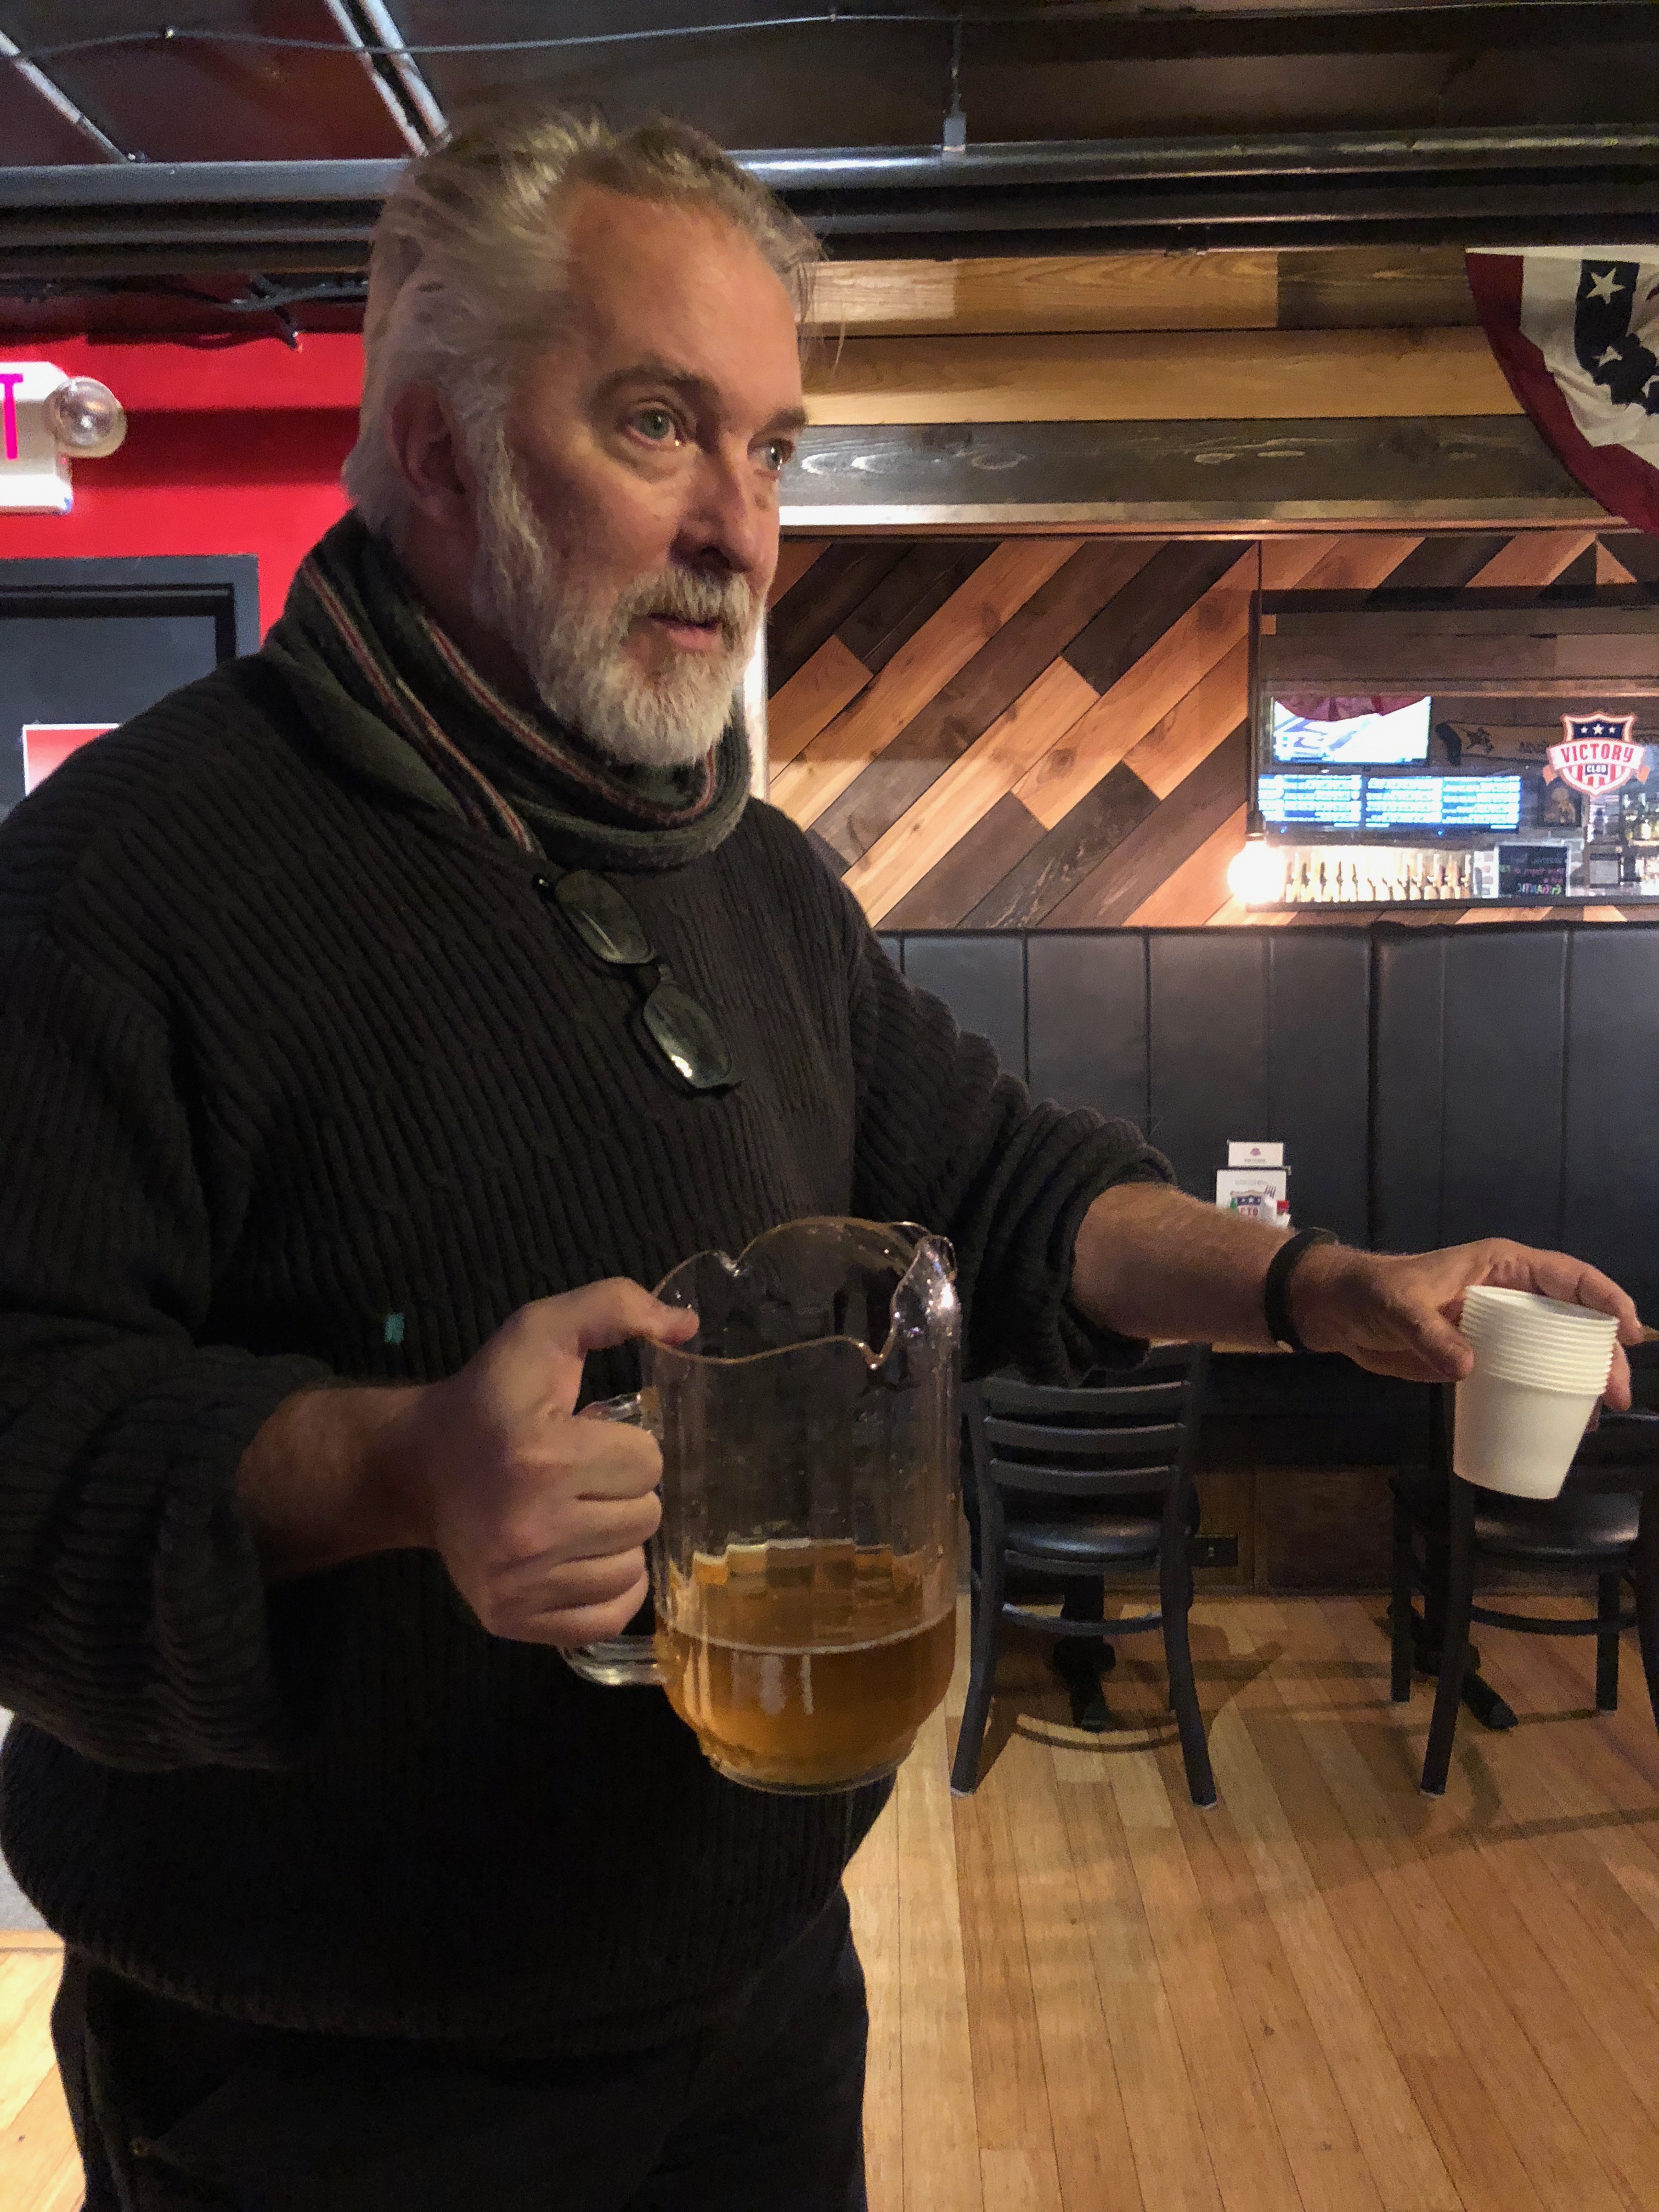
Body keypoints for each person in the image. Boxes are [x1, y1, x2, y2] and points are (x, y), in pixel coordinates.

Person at [0, 105, 1638, 2212]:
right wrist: (402, 1468)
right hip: (334, 2096)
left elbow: (1009, 1176)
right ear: (434, 447)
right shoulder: (119, 883)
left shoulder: (747, 874)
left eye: (772, 448)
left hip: (758, 2005)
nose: (741, 529)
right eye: (658, 425)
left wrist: (1323, 1288)